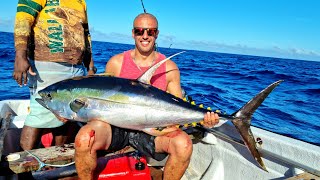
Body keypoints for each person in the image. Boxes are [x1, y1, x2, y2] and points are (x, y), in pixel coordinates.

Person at [74, 13, 219, 180]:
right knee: (84, 138)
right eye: (139, 31)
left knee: (183, 144)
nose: (144, 36)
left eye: (150, 32)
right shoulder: (116, 63)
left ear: (156, 34)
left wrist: (204, 119)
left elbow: (177, 110)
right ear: (133, 33)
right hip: (115, 126)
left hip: (151, 130)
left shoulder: (169, 68)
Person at [12, 0, 96, 150]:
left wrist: (90, 65)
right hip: (46, 64)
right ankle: (24, 165)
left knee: (67, 116)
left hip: (76, 67)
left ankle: (55, 162)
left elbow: (85, 33)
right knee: (39, 114)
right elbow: (24, 17)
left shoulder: (81, 1)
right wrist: (20, 55)